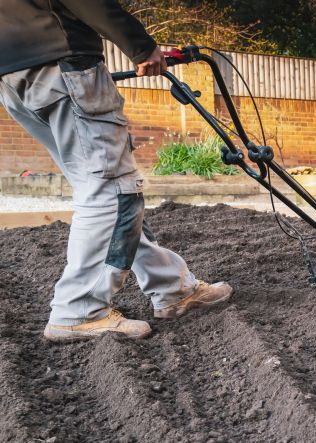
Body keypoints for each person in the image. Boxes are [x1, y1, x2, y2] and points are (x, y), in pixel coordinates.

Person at [0, 1, 232, 342]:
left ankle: (172, 287)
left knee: (105, 188)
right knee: (112, 192)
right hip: (60, 62)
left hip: (14, 75)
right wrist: (139, 45)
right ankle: (77, 311)